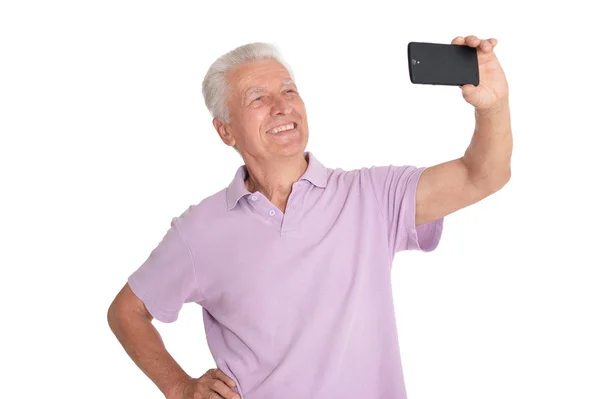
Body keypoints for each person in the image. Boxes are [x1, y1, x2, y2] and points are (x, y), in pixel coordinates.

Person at [107, 35, 512, 399]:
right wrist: (179, 387)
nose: (282, 106)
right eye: (258, 98)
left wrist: (494, 105)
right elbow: (127, 311)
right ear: (225, 131)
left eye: (289, 91)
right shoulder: (198, 231)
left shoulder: (371, 195)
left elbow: (484, 175)